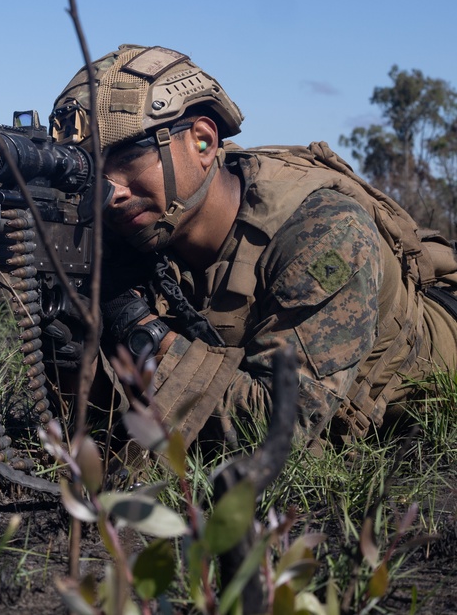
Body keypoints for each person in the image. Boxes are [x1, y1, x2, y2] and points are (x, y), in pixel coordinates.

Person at [46, 44, 457, 449]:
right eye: (91, 174)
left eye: (127, 161)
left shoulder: (326, 234)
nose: (110, 192)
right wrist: (74, 352)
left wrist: (141, 331)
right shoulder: (136, 229)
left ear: (203, 142)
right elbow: (115, 423)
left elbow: (280, 428)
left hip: (430, 380)